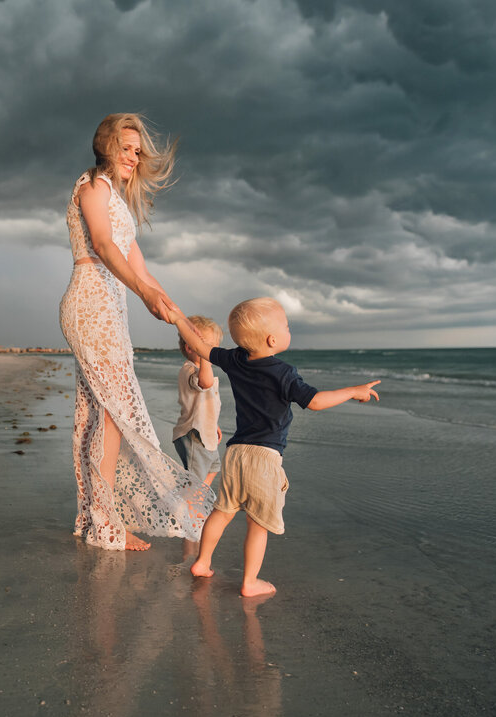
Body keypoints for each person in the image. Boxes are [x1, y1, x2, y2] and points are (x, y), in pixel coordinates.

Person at [59, 113, 214, 551]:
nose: (134, 156)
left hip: (111, 305)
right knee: (113, 416)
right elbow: (104, 246)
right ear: (106, 145)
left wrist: (177, 315)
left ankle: (95, 517)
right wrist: (144, 296)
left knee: (97, 416)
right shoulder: (91, 186)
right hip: (90, 301)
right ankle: (106, 524)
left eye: (138, 150)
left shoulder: (120, 203)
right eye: (126, 148)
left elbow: (143, 271)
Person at [172, 298, 380, 596]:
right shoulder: (284, 373)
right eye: (286, 325)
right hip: (264, 457)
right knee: (258, 522)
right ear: (272, 339)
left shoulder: (236, 360)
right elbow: (315, 402)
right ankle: (250, 581)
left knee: (222, 511)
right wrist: (353, 391)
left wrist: (179, 319)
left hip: (236, 452)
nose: (287, 329)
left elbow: (202, 348)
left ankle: (202, 562)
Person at [172, 315, 223, 492]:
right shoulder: (190, 370)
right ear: (190, 347)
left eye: (213, 347)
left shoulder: (201, 369)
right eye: (206, 346)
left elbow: (206, 404)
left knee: (214, 466)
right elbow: (205, 383)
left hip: (205, 431)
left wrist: (214, 424)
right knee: (196, 479)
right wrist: (205, 358)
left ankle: (197, 499)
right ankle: (191, 509)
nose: (211, 350)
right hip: (194, 434)